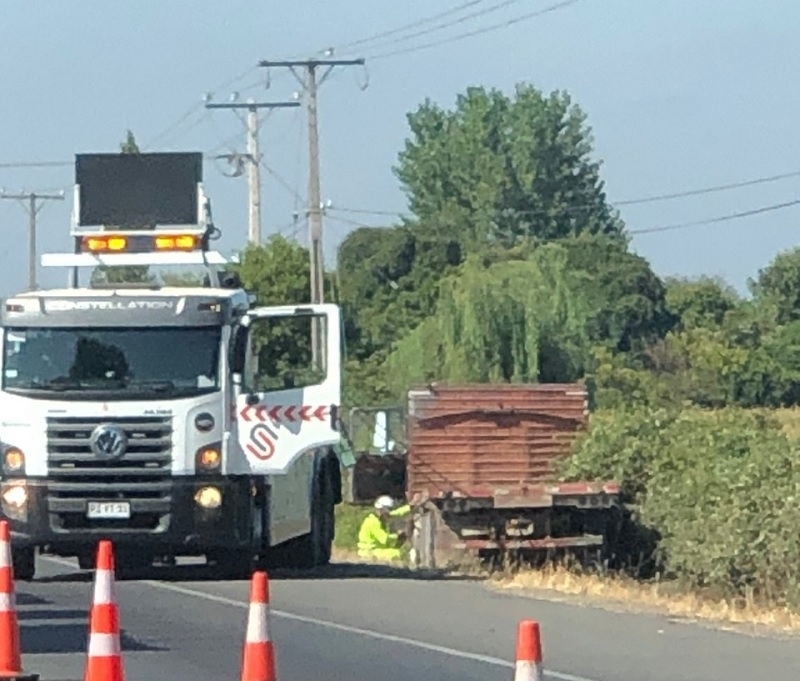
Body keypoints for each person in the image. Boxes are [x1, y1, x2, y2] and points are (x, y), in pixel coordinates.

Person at [357, 495, 412, 562]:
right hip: (369, 553)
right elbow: (384, 539)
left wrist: (411, 507)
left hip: (377, 550)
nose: (389, 513)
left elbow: (397, 513)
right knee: (399, 554)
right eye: (388, 510)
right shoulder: (373, 522)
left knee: (398, 552)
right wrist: (397, 536)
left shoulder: (380, 518)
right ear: (382, 510)